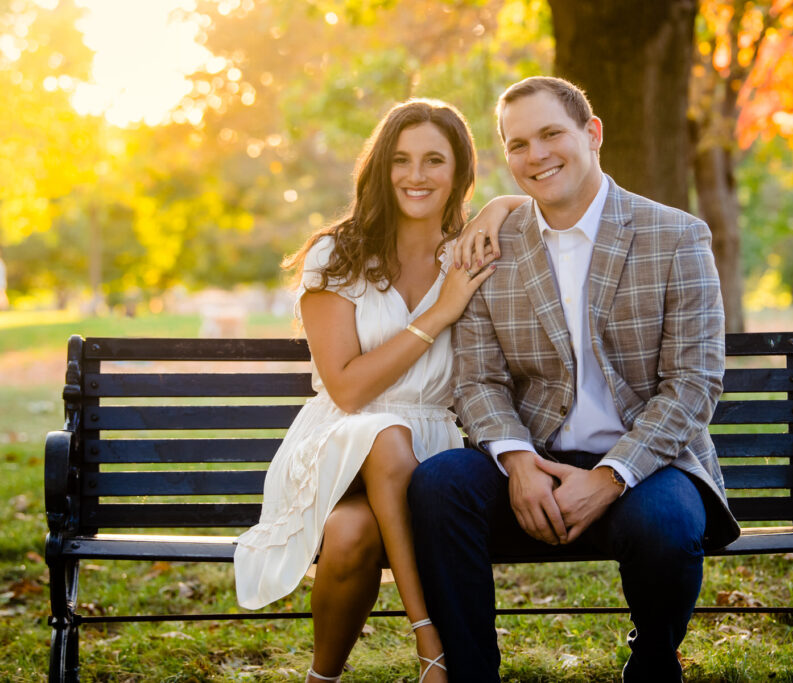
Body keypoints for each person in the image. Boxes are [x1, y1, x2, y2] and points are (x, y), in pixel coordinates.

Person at [408, 76, 742, 682]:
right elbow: (477, 380)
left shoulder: (675, 235)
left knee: (667, 524)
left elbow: (693, 383)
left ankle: (652, 663)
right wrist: (517, 461)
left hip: (647, 466)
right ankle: (472, 673)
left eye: (551, 134)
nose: (535, 156)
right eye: (517, 145)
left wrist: (611, 477)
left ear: (592, 134)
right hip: (532, 463)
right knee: (438, 485)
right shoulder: (489, 247)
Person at [233, 98, 521, 683]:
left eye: (434, 160)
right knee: (385, 435)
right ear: (379, 169)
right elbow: (347, 389)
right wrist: (439, 314)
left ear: (460, 172)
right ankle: (430, 643)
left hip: (431, 447)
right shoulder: (335, 256)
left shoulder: (470, 252)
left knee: (352, 531)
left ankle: (322, 678)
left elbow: (539, 204)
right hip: (338, 440)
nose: (416, 176)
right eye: (401, 160)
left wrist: (496, 207)